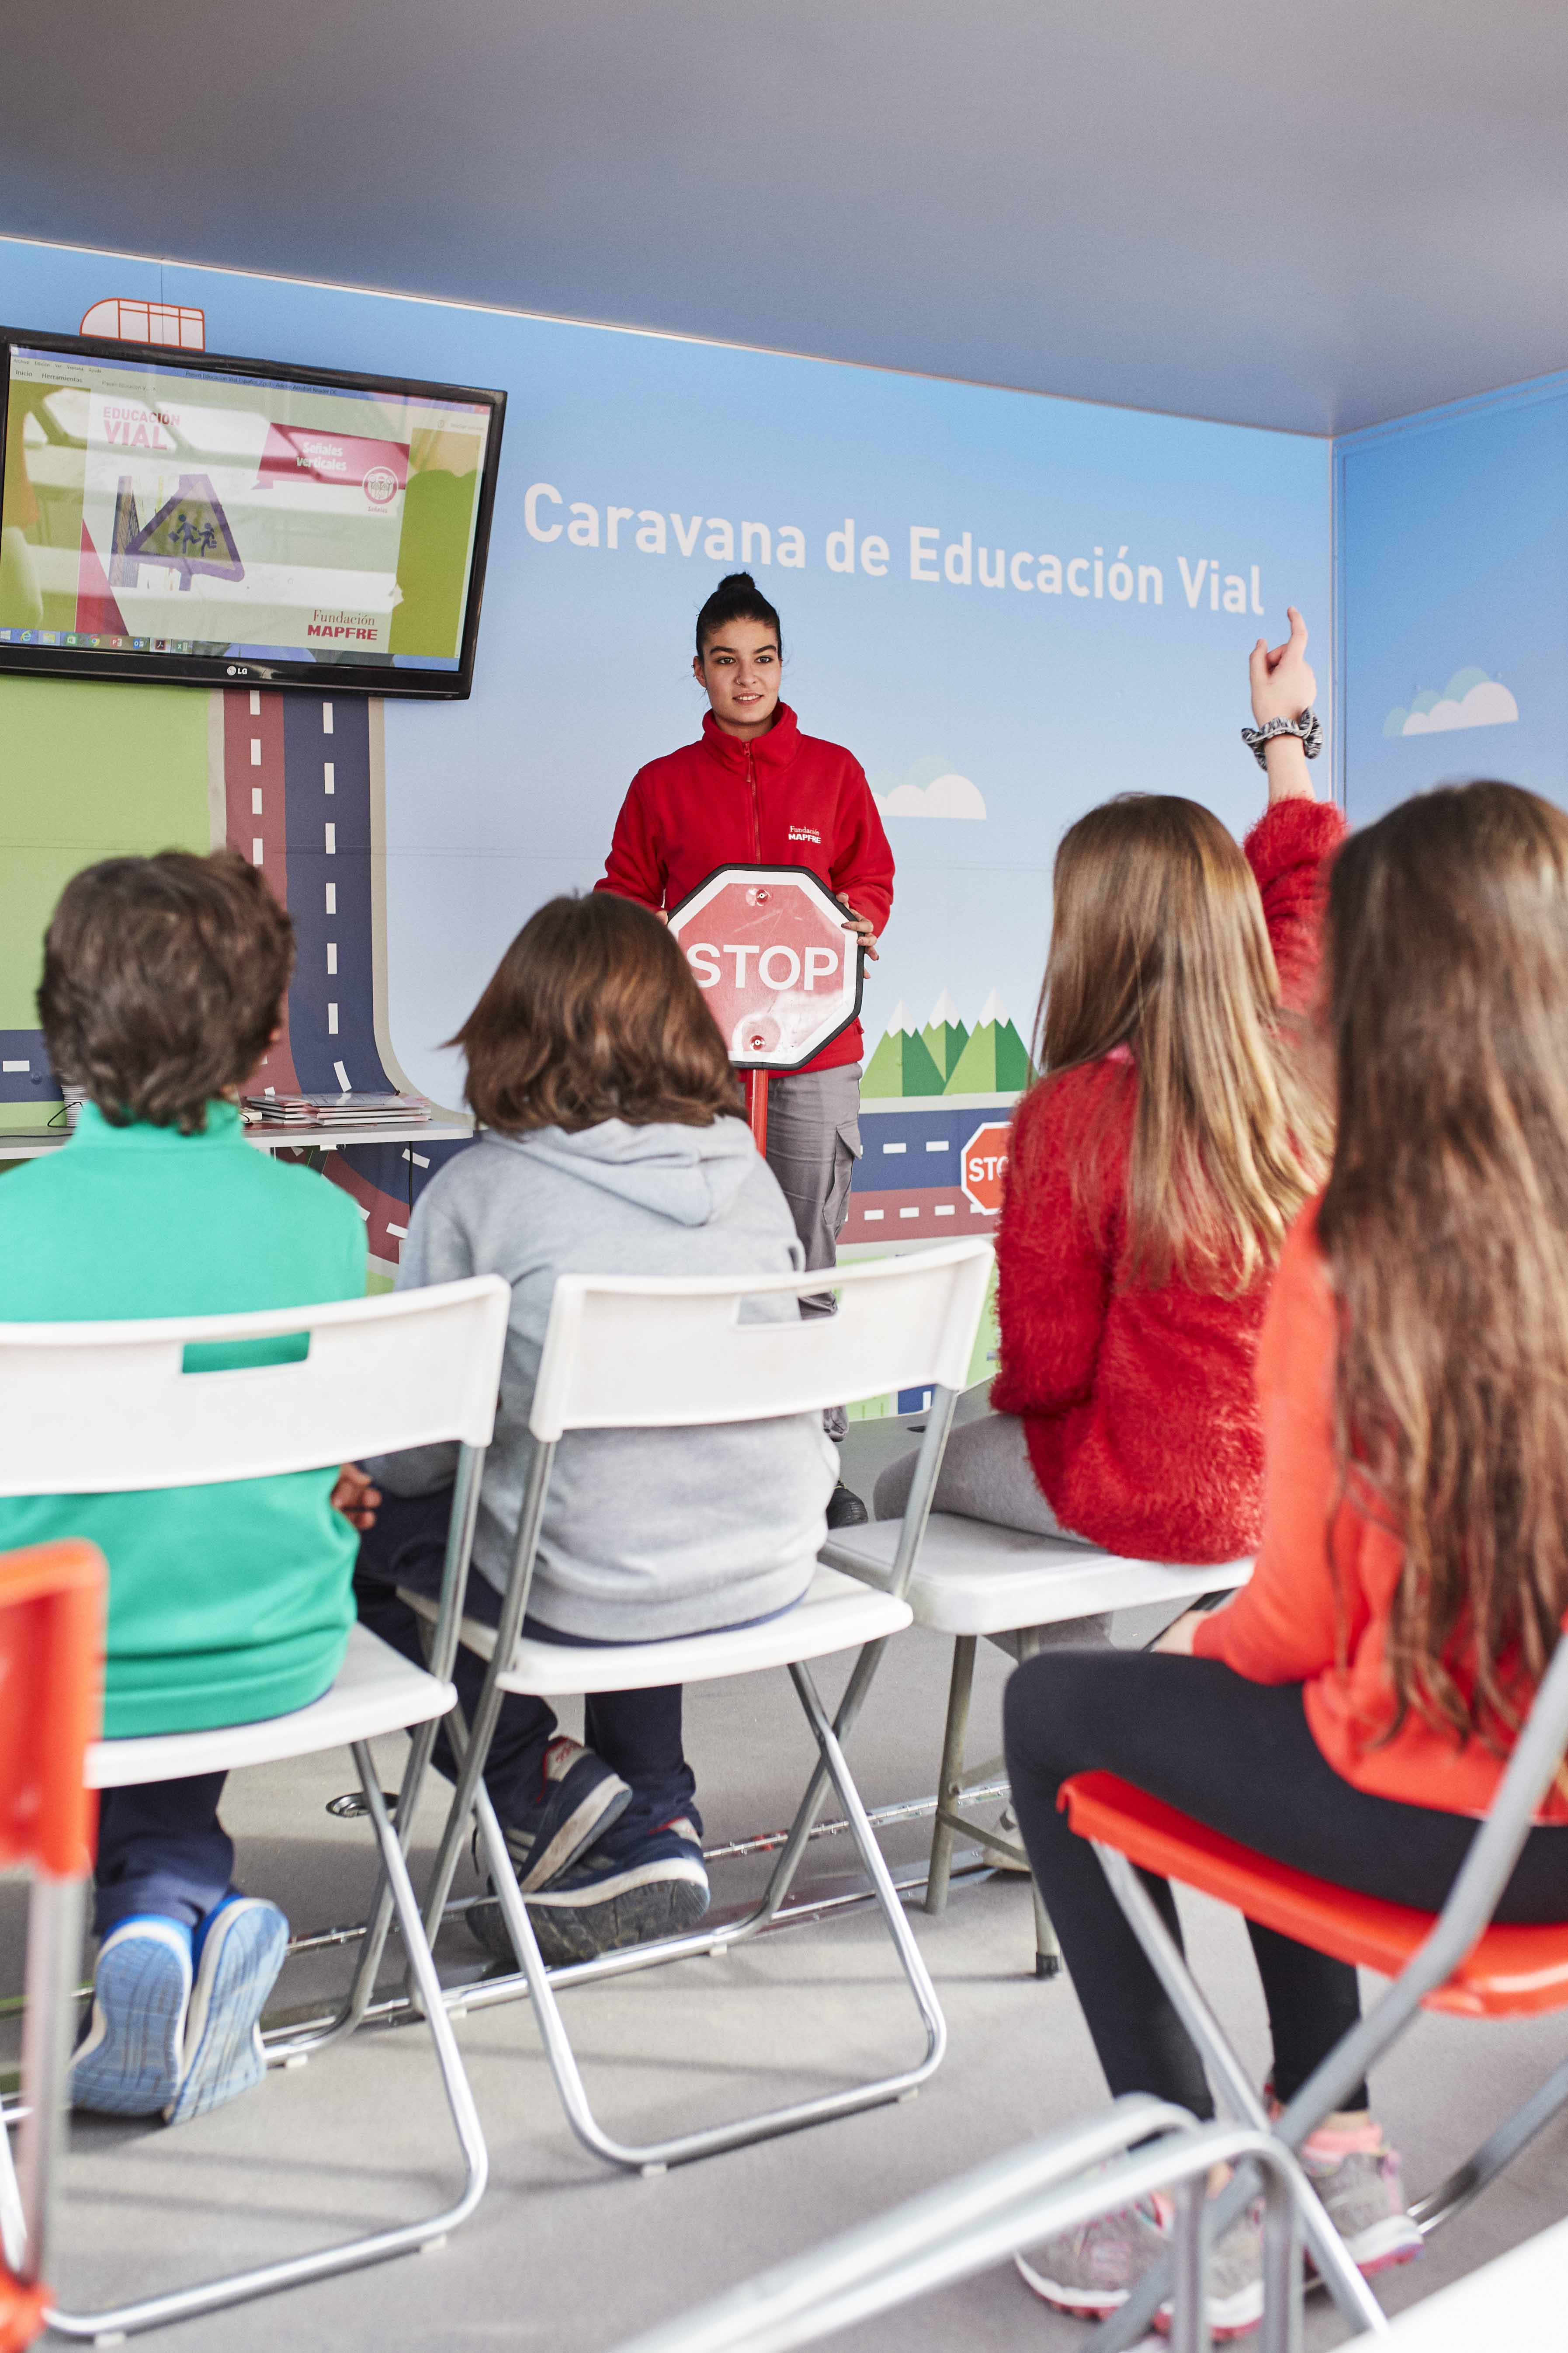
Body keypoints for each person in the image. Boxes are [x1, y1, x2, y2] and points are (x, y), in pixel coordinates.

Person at [1005, 779, 1568, 2336]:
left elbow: (1293, 1630)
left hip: (1457, 1851)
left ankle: (1178, 2167)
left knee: (1070, 1705)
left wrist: (1198, 1644)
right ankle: (1333, 2145)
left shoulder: (1364, 1237)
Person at [352, 891, 837, 1966]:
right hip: (768, 1562)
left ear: (513, 1026)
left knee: (354, 1527)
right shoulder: (746, 1172)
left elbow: (419, 1450)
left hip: (592, 1584)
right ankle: (656, 1811)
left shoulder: (478, 1193)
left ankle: (543, 1783)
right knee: (626, 1486)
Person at [0, 852, 372, 2124]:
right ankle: (165, 1903)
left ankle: (158, 1906)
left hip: (44, 1678)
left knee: (83, 1593)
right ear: (263, 1041)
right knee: (163, 1571)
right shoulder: (320, 1226)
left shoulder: (11, 1226)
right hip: (272, 1649)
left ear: (63, 1028)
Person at [874, 610, 1341, 1571]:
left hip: (1168, 1493)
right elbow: (1312, 881)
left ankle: (1081, 1707)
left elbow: (1048, 1372)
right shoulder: (1291, 1040)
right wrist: (1284, 735)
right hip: (1311, 1473)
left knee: (899, 1483)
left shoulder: (1073, 1114)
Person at [596, 570, 894, 1528]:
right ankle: (706, 1462)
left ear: (780, 665)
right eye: (726, 662)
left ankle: (814, 1467)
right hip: (698, 1069)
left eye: (762, 659)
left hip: (816, 1058)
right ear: (699, 672)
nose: (746, 679)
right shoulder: (660, 785)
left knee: (807, 1260)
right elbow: (624, 896)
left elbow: (871, 880)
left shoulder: (836, 772)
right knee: (703, 1256)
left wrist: (860, 917)